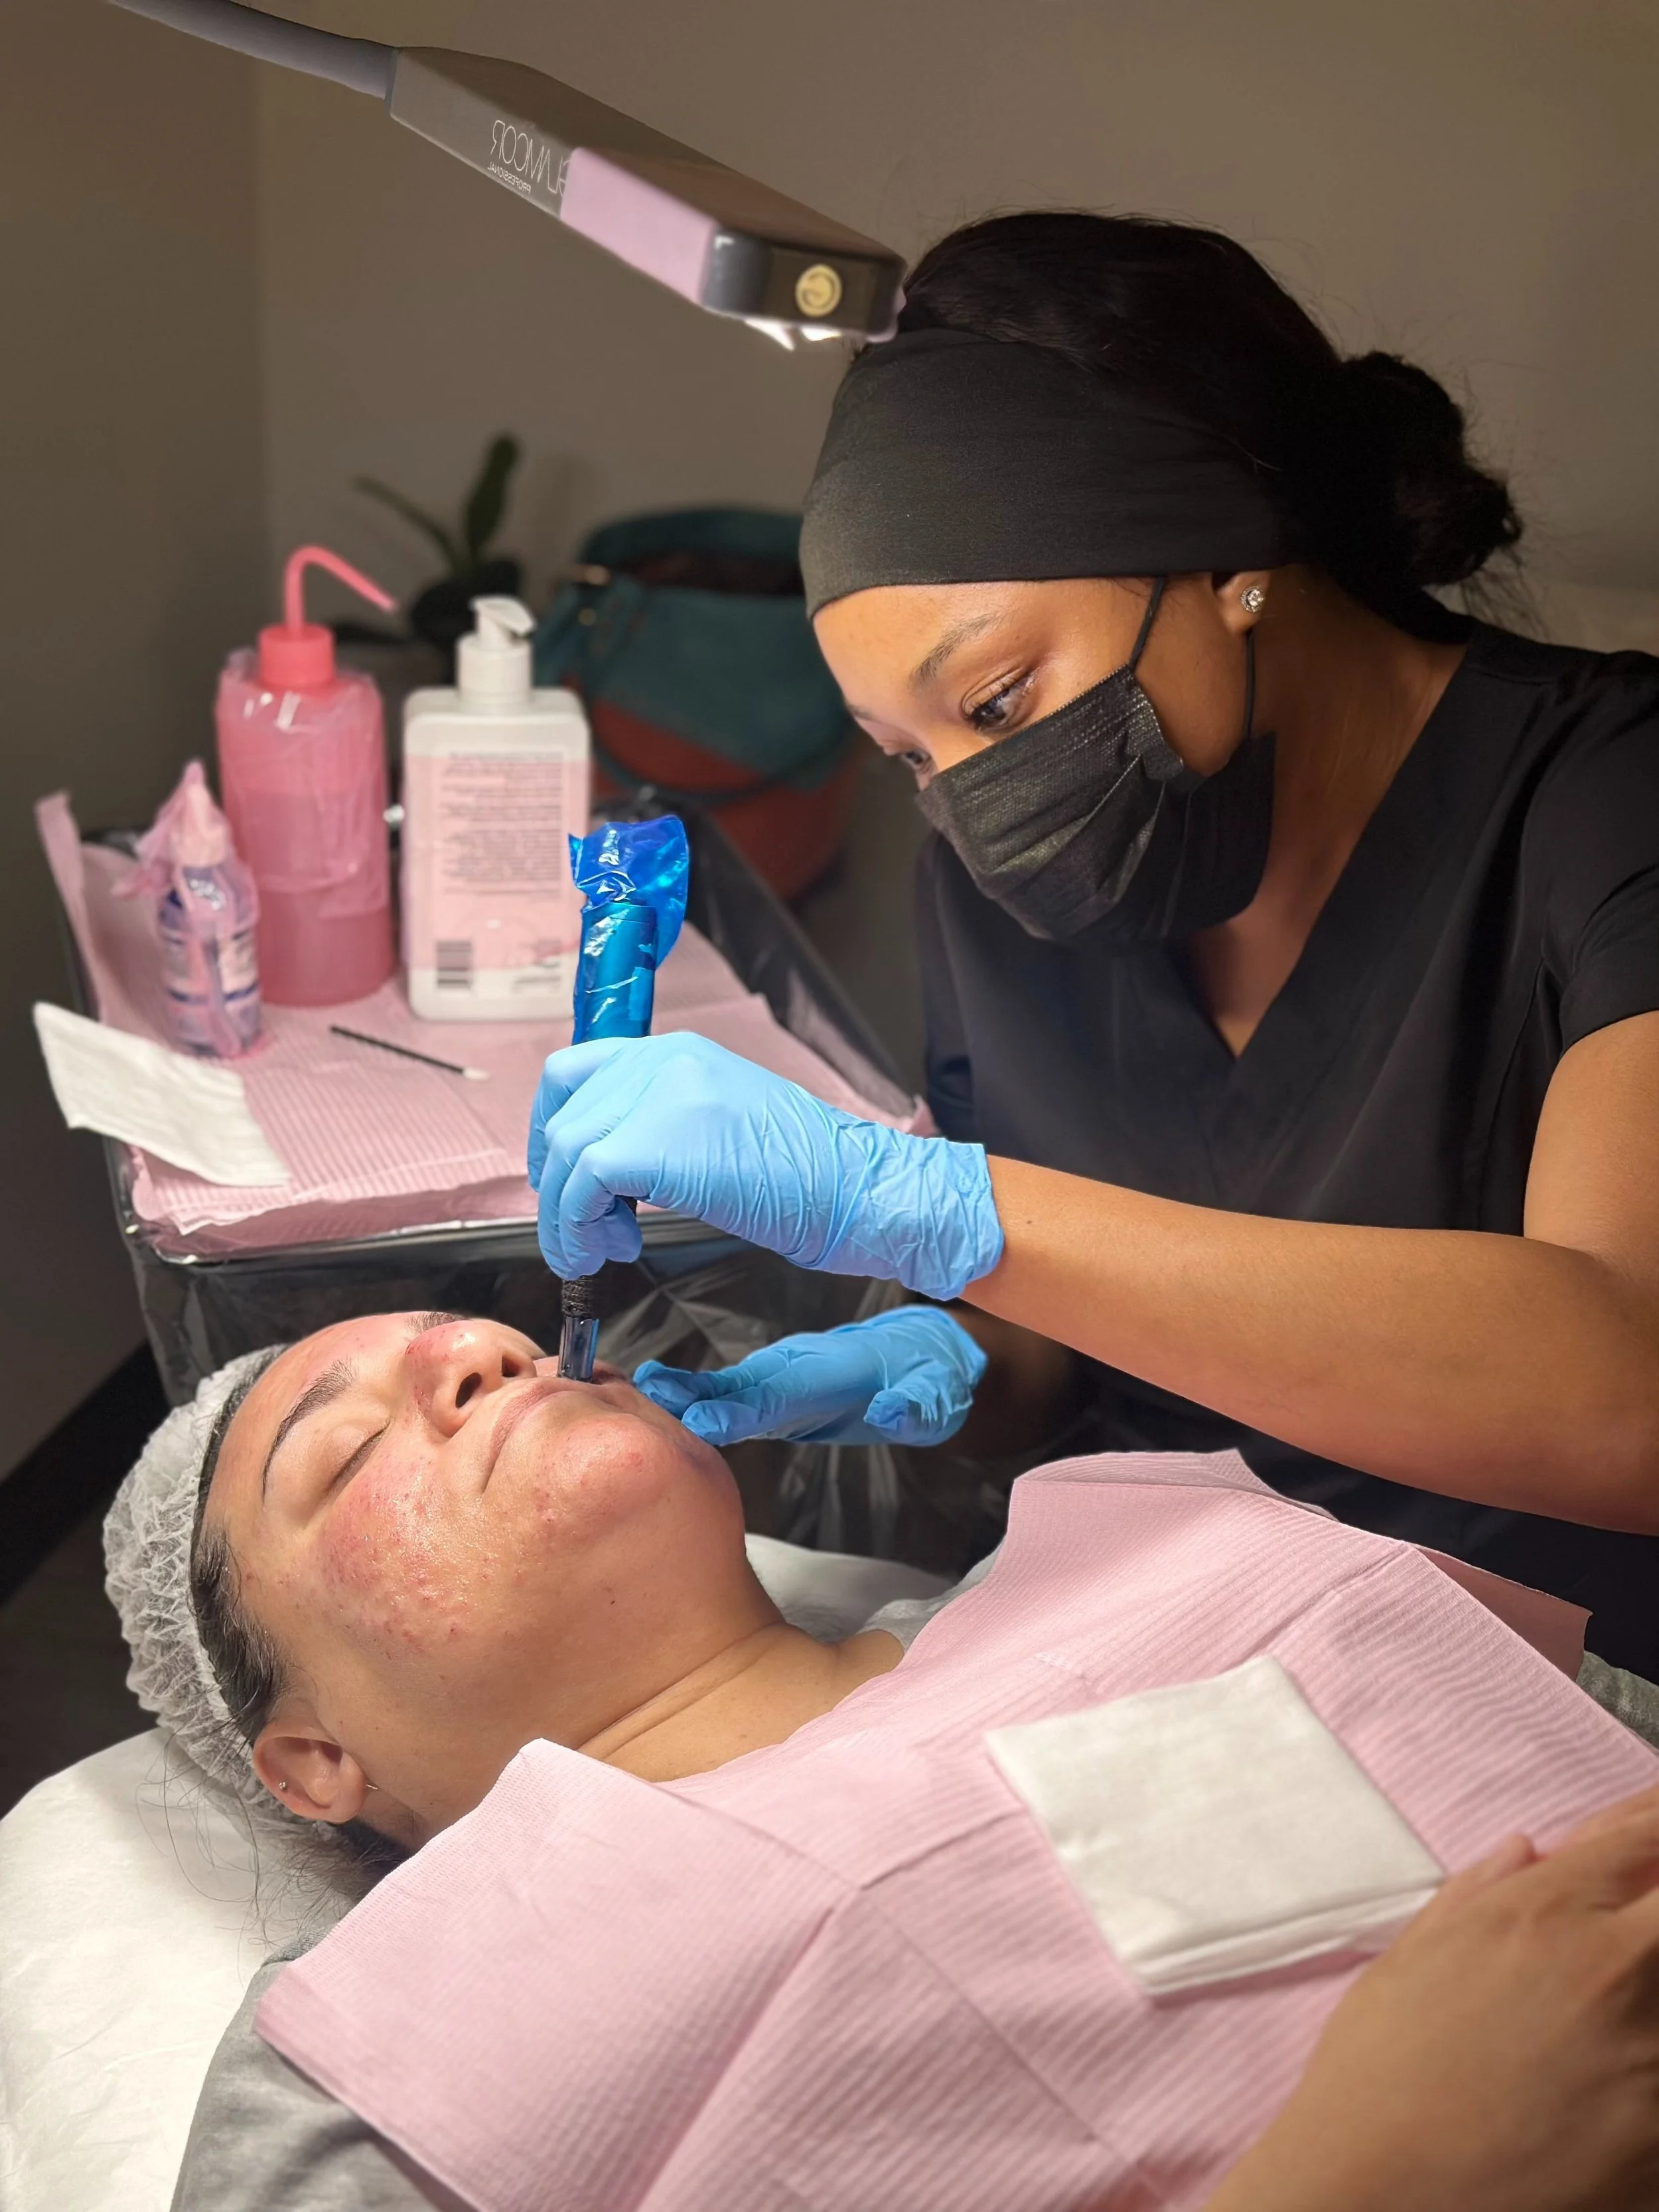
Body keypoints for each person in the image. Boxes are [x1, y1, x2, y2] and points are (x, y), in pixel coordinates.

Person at [533, 210, 1659, 1676]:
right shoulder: (1015, 885)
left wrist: (923, 1204)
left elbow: (1624, 1389)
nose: (971, 806)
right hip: (1180, 1652)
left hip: (1560, 1700)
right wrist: (928, 1360)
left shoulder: (1604, 796)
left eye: (992, 703)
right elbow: (1065, 1342)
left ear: (1227, 555)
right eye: (905, 756)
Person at [102, 1312, 1659, 2209]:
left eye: (494, 1339)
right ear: (313, 1761)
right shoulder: (387, 2035)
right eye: (350, 1450)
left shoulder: (1144, 1535)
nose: (485, 1352)